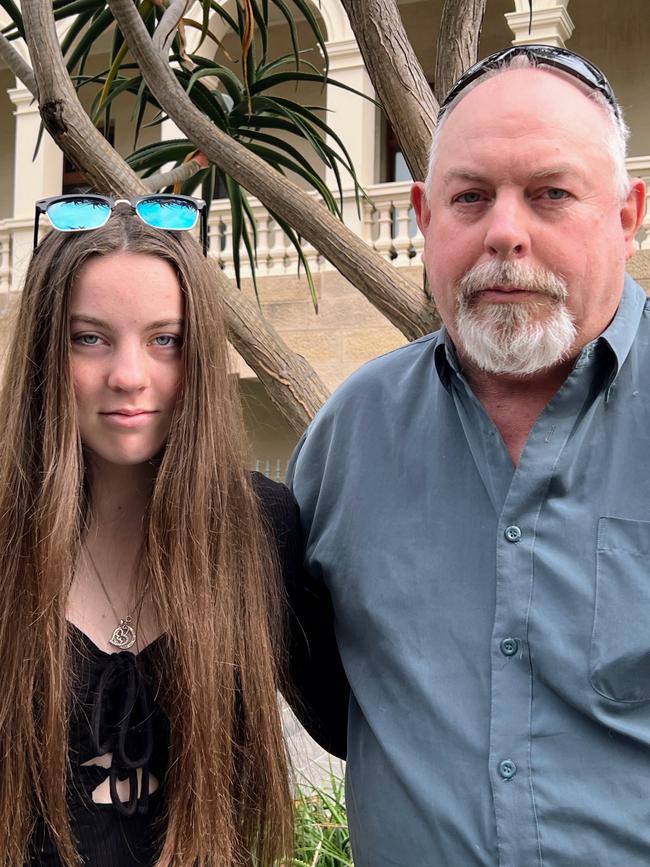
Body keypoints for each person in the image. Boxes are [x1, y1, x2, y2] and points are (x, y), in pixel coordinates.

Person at [288, 45, 650, 866]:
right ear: (423, 214)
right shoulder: (352, 436)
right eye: (471, 197)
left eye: (551, 194)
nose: (505, 234)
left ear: (627, 214)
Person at [0, 194, 344, 867]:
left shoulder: (259, 530)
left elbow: (358, 725)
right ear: (48, 349)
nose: (129, 376)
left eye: (166, 340)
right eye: (89, 337)